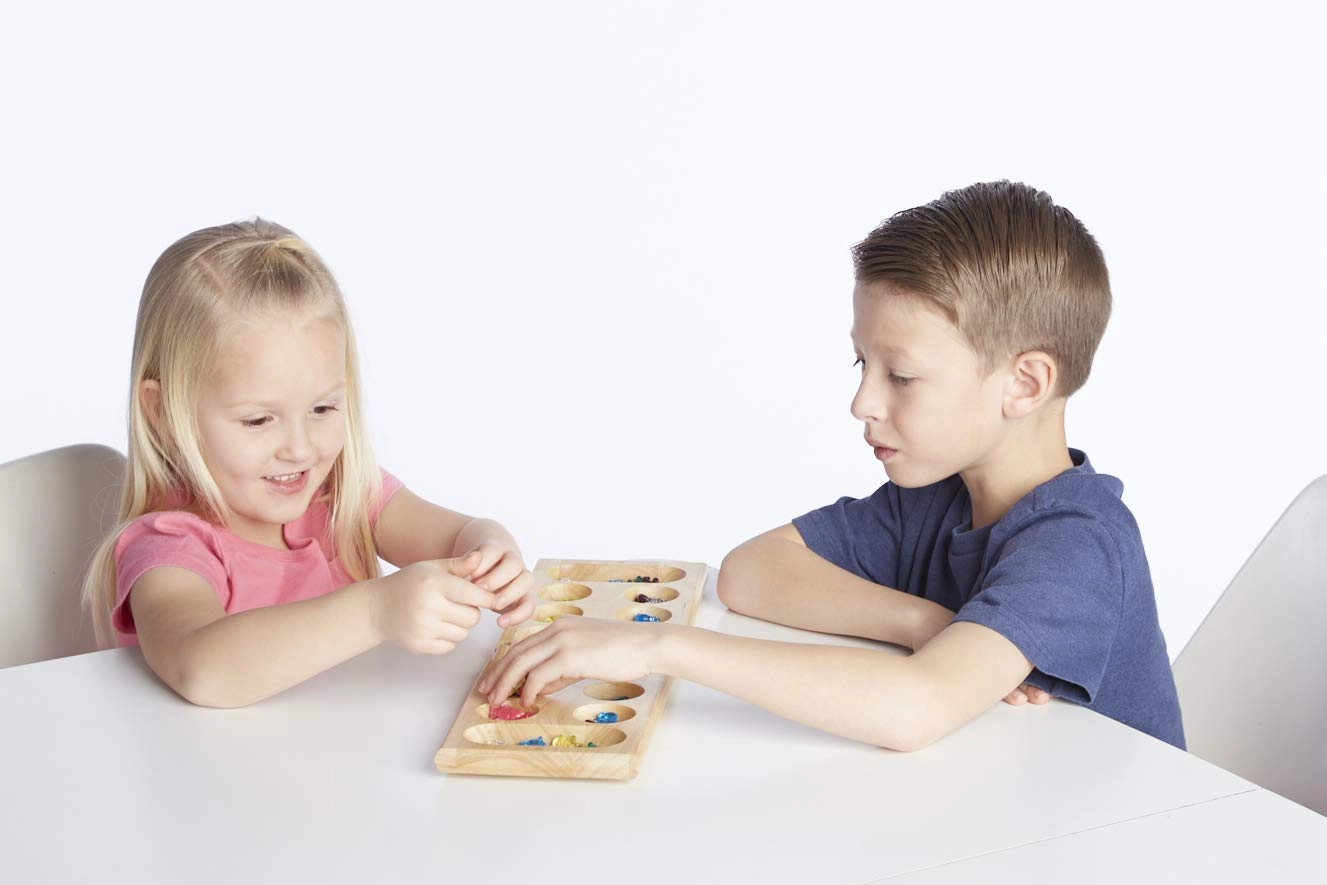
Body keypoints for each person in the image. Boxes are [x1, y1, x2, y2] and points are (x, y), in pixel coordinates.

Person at [478, 181, 1184, 751]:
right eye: (861, 363)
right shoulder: (935, 498)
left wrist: (657, 646)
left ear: (1023, 384)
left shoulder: (1076, 544)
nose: (861, 402)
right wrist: (920, 620)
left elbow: (914, 707)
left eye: (900, 376)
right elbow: (752, 571)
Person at [83, 219, 534, 707]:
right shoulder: (168, 548)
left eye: (322, 409)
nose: (299, 449)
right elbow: (203, 669)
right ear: (164, 412)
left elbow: (458, 537)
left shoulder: (343, 493)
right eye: (258, 421)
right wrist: (375, 612)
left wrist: (491, 554)